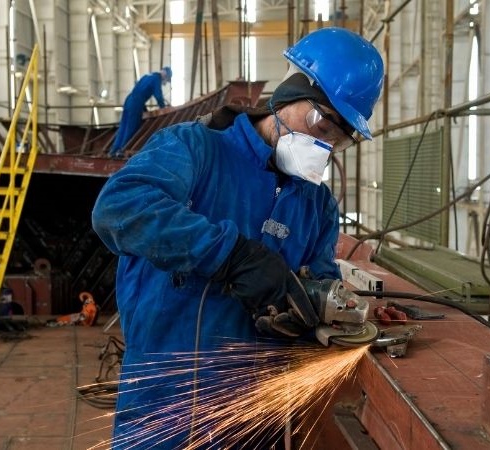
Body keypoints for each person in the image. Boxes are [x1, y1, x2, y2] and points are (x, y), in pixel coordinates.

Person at [92, 27, 383, 448]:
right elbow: (119, 208)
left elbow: (314, 291)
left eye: (339, 135)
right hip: (163, 409)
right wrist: (232, 256)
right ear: (289, 93)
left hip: (250, 419)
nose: (325, 141)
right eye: (321, 120)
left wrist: (319, 309)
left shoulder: (317, 205)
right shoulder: (195, 148)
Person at [108, 66, 173, 158]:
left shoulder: (147, 76)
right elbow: (158, 95)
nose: (165, 81)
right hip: (136, 103)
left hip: (129, 100)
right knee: (132, 127)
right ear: (165, 74)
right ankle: (121, 150)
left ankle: (113, 150)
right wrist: (164, 108)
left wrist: (144, 109)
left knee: (123, 126)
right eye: (167, 79)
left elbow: (138, 91)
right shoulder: (156, 79)